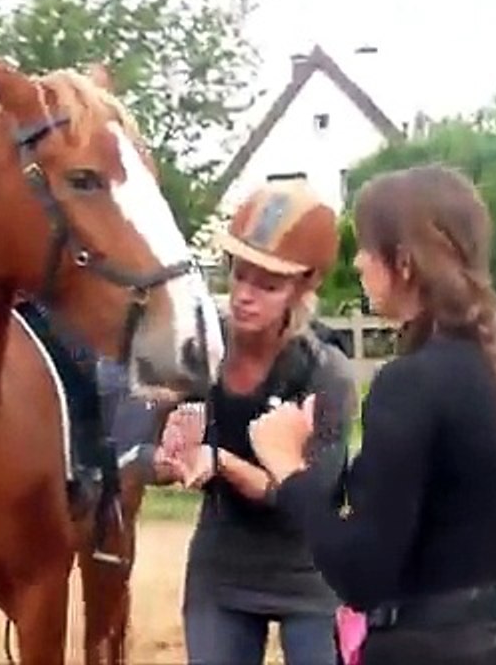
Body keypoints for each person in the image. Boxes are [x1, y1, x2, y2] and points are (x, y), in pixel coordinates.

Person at [247, 165, 496, 665]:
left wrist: (288, 467)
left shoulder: (408, 384)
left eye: (364, 247)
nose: (357, 262)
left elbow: (360, 575)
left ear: (402, 263)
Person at [133, 179, 359, 665]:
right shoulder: (199, 351)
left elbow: (308, 493)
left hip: (310, 570)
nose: (245, 296)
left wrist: (219, 462)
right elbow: (136, 454)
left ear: (303, 288)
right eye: (240, 275)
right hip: (224, 569)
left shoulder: (326, 372)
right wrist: (169, 458)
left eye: (268, 284)